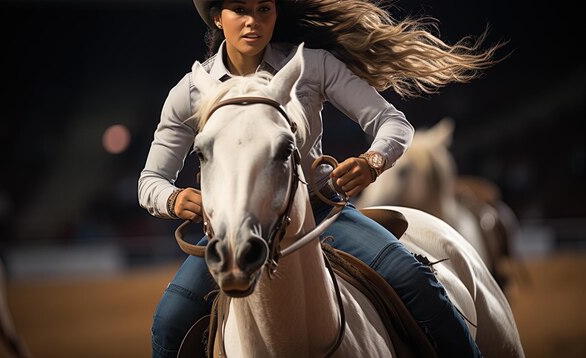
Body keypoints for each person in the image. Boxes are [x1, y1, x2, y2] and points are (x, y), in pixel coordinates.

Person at [138, 1, 502, 357]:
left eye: (264, 9)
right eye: (240, 10)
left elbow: (393, 122)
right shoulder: (190, 92)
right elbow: (151, 179)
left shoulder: (313, 65)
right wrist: (172, 199)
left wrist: (373, 161)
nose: (253, 21)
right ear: (218, 18)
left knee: (414, 280)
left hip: (319, 211)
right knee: (169, 322)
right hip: (231, 227)